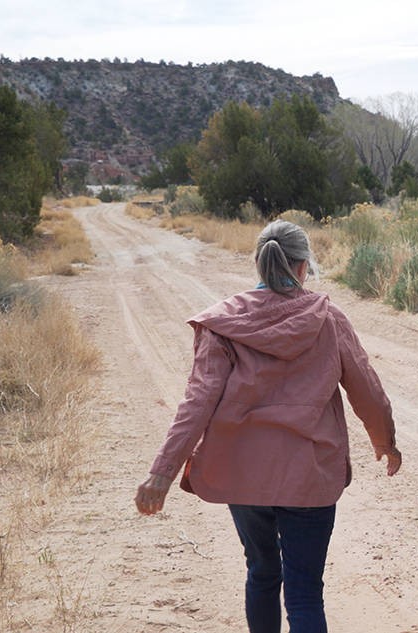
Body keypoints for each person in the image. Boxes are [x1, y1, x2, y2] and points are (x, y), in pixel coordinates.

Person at [134, 219, 402, 633]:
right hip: (310, 475)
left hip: (245, 475)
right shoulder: (328, 318)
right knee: (305, 591)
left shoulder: (223, 324)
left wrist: (161, 473)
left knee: (261, 572)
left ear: (259, 264)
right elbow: (365, 387)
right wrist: (385, 440)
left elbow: (197, 402)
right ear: (302, 267)